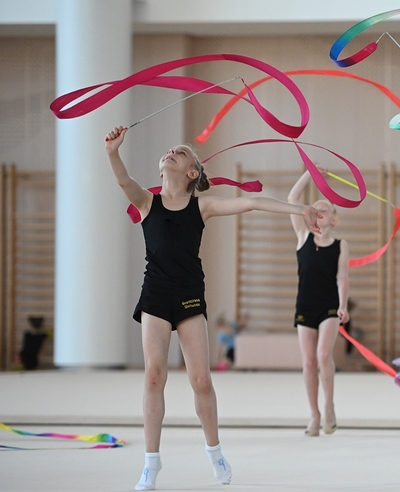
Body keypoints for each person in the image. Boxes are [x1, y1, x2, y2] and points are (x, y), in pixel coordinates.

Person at [105, 126, 321, 490]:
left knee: (201, 379)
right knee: (154, 375)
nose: (173, 150)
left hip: (189, 295)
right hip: (156, 294)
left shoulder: (201, 206)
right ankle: (151, 464)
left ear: (192, 173)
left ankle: (214, 450)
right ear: (161, 169)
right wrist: (112, 152)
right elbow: (124, 180)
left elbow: (251, 202)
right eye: (170, 149)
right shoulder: (147, 202)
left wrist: (300, 208)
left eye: (183, 152)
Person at [288, 166, 350, 437]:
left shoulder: (340, 245)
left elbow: (342, 278)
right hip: (305, 306)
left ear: (333, 220)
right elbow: (292, 199)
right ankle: (313, 413)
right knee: (308, 362)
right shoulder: (303, 237)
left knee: (323, 355)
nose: (319, 210)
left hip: (329, 307)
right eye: (315, 207)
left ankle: (329, 405)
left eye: (325, 208)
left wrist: (343, 304)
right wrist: (312, 174)